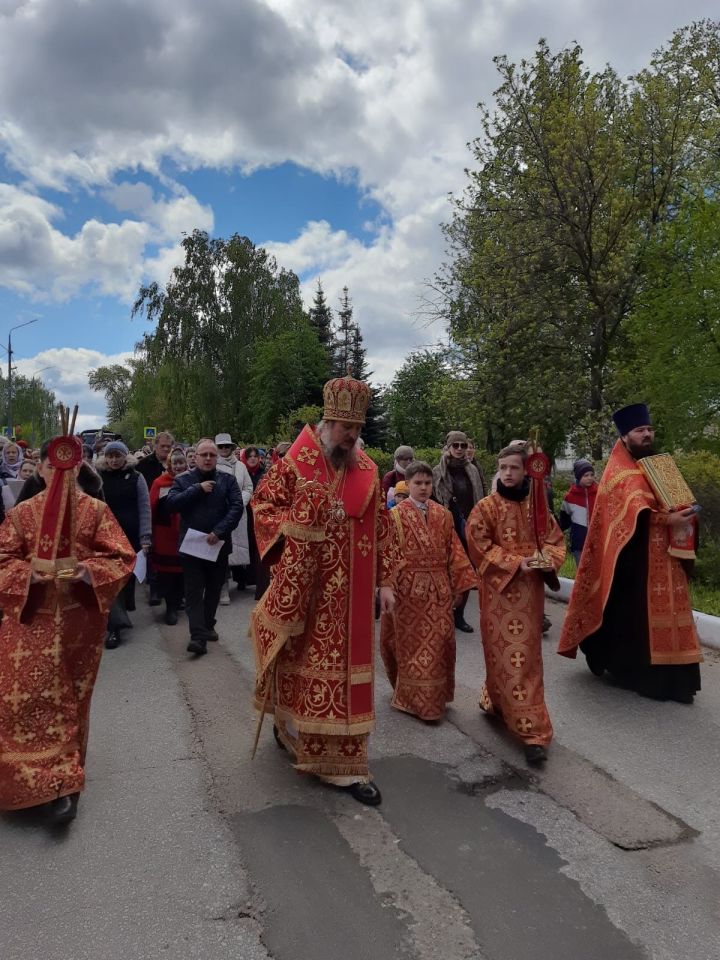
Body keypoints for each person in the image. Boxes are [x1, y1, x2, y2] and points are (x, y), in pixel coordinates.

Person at [250, 374, 398, 806]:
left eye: (356, 429)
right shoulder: (295, 465)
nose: (350, 436)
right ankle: (290, 729)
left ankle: (345, 766)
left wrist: (386, 581)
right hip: (308, 594)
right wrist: (298, 524)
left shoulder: (368, 472)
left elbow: (384, 531)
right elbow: (263, 506)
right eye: (342, 427)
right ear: (325, 423)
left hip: (352, 601)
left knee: (347, 678)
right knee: (300, 666)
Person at [0, 434, 135, 822]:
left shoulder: (95, 511)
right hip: (28, 620)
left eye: (71, 467)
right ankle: (22, 780)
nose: (62, 473)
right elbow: (3, 559)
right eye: (53, 465)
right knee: (20, 701)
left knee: (69, 702)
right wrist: (29, 575)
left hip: (80, 624)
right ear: (41, 468)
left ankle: (65, 785)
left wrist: (87, 571)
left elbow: (122, 557)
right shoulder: (22, 513)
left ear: (79, 469)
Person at [558, 404, 702, 703]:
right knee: (637, 618)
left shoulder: (661, 465)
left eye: (649, 429)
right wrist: (665, 519)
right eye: (640, 431)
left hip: (670, 557)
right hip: (634, 561)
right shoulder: (619, 472)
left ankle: (679, 681)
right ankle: (640, 676)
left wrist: (688, 514)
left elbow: (680, 501)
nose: (646, 435)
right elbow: (629, 515)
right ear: (625, 437)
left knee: (674, 614)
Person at [466, 444, 565, 764]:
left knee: (526, 659)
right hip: (498, 596)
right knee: (500, 657)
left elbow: (554, 541)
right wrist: (514, 562)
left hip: (530, 597)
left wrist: (544, 560)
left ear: (526, 471)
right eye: (504, 467)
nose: (508, 473)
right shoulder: (486, 507)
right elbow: (478, 543)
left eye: (515, 468)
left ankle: (533, 732)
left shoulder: (537, 509)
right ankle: (497, 703)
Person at [381, 461, 475, 721]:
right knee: (412, 647)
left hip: (439, 589)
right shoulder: (395, 516)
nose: (423, 488)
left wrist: (461, 586)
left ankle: (436, 697)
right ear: (407, 485)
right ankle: (416, 701)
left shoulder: (443, 515)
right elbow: (387, 553)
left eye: (427, 483)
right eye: (417, 483)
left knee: (441, 642)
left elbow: (454, 551)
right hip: (407, 591)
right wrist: (386, 584)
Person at [166, 438, 243, 656]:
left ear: (216, 457)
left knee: (214, 589)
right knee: (193, 592)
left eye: (212, 455)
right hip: (192, 547)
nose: (208, 459)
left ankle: (208, 625)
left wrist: (219, 531)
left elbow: (236, 508)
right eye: (204, 455)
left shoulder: (227, 480)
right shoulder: (183, 480)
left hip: (218, 544)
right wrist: (196, 489)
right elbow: (171, 504)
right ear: (196, 457)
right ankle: (198, 637)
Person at [97, 441, 151, 649]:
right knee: (111, 580)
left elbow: (144, 508)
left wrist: (145, 538)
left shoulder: (136, 478)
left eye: (117, 456)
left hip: (130, 536)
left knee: (126, 579)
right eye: (110, 456)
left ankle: (125, 606)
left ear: (124, 456)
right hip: (106, 536)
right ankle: (115, 628)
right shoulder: (99, 478)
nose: (113, 460)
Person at [432, 430, 486, 632]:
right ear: (448, 447)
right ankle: (444, 613)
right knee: (445, 575)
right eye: (455, 445)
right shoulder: (438, 471)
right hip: (447, 528)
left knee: (466, 574)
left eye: (463, 445)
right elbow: (433, 500)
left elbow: (482, 497)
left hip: (470, 529)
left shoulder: (473, 470)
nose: (460, 449)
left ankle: (459, 615)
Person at [149, 448, 187, 625]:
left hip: (186, 533)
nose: (178, 466)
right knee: (166, 574)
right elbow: (151, 509)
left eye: (181, 462)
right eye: (175, 463)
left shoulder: (192, 481)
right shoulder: (160, 483)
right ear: (169, 464)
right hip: (165, 535)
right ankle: (170, 607)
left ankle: (179, 601)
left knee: (183, 573)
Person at [214, 433, 253, 602]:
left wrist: (239, 502)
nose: (224, 449)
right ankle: (223, 589)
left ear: (231, 447)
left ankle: (241, 581)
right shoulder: (213, 465)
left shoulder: (241, 466)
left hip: (238, 512)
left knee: (237, 551)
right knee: (222, 553)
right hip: (220, 514)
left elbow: (248, 487)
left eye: (227, 446)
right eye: (221, 446)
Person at [239, 445, 267, 598]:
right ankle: (243, 578)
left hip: (260, 515)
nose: (253, 459)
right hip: (245, 513)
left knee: (257, 548)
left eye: (255, 456)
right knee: (245, 545)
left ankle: (257, 581)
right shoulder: (242, 473)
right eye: (250, 456)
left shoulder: (264, 473)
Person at [559, 458, 598, 566]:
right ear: (578, 476)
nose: (590, 478)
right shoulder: (570, 497)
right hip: (579, 544)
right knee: (582, 574)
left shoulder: (599, 494)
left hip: (598, 543)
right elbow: (563, 522)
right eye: (586, 475)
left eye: (591, 474)